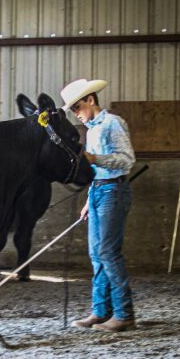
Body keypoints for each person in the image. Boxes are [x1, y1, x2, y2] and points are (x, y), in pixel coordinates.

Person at [61, 79, 137, 333]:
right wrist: (87, 200)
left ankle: (124, 314)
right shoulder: (92, 129)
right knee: (96, 254)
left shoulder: (113, 123)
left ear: (90, 100)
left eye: (77, 107)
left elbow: (127, 160)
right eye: (73, 110)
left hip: (114, 189)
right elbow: (95, 171)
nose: (76, 114)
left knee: (107, 251)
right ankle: (101, 311)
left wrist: (94, 158)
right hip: (99, 191)